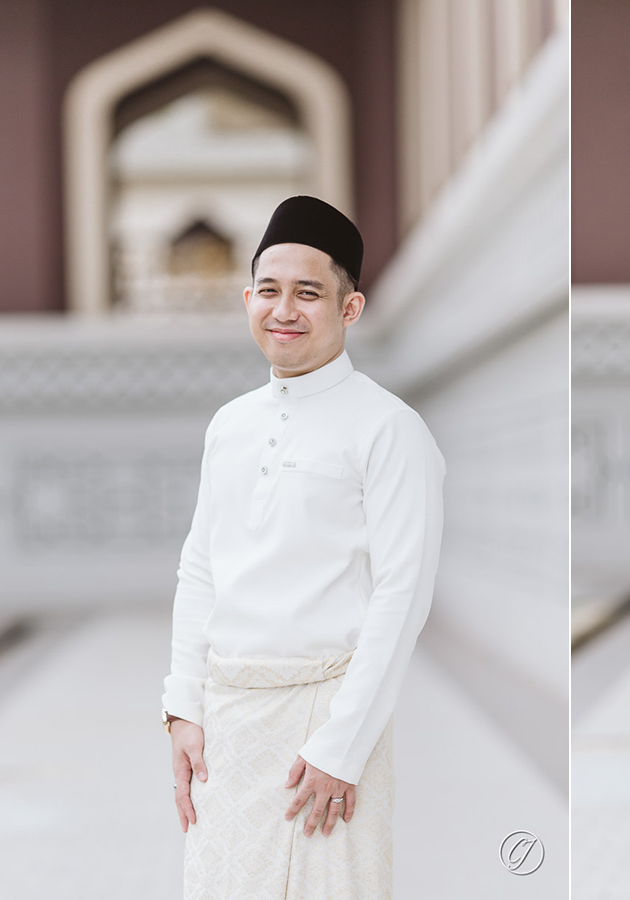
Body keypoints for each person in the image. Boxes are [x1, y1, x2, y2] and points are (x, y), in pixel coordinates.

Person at [160, 195, 445, 899]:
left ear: (349, 309)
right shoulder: (229, 424)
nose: (284, 309)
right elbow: (201, 565)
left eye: (308, 293)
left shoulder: (389, 428)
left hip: (326, 720)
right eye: (269, 290)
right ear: (248, 298)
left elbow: (402, 596)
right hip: (226, 724)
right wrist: (183, 706)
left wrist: (342, 748)